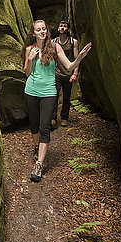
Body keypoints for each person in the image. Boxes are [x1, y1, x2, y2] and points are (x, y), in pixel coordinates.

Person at [22, 20, 91, 182]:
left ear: (47, 31)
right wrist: (30, 59)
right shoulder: (29, 49)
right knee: (34, 126)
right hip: (31, 91)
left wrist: (79, 58)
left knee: (44, 127)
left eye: (44, 29)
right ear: (33, 33)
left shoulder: (54, 47)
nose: (42, 32)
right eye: (38, 30)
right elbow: (26, 73)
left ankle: (39, 164)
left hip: (48, 93)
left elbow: (68, 66)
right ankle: (36, 147)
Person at [52, 20, 79, 127]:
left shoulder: (73, 42)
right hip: (56, 73)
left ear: (68, 29)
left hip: (68, 73)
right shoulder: (54, 42)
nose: (62, 28)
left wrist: (75, 73)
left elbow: (77, 59)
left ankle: (64, 118)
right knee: (54, 95)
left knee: (66, 96)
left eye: (64, 26)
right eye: (60, 25)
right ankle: (53, 118)